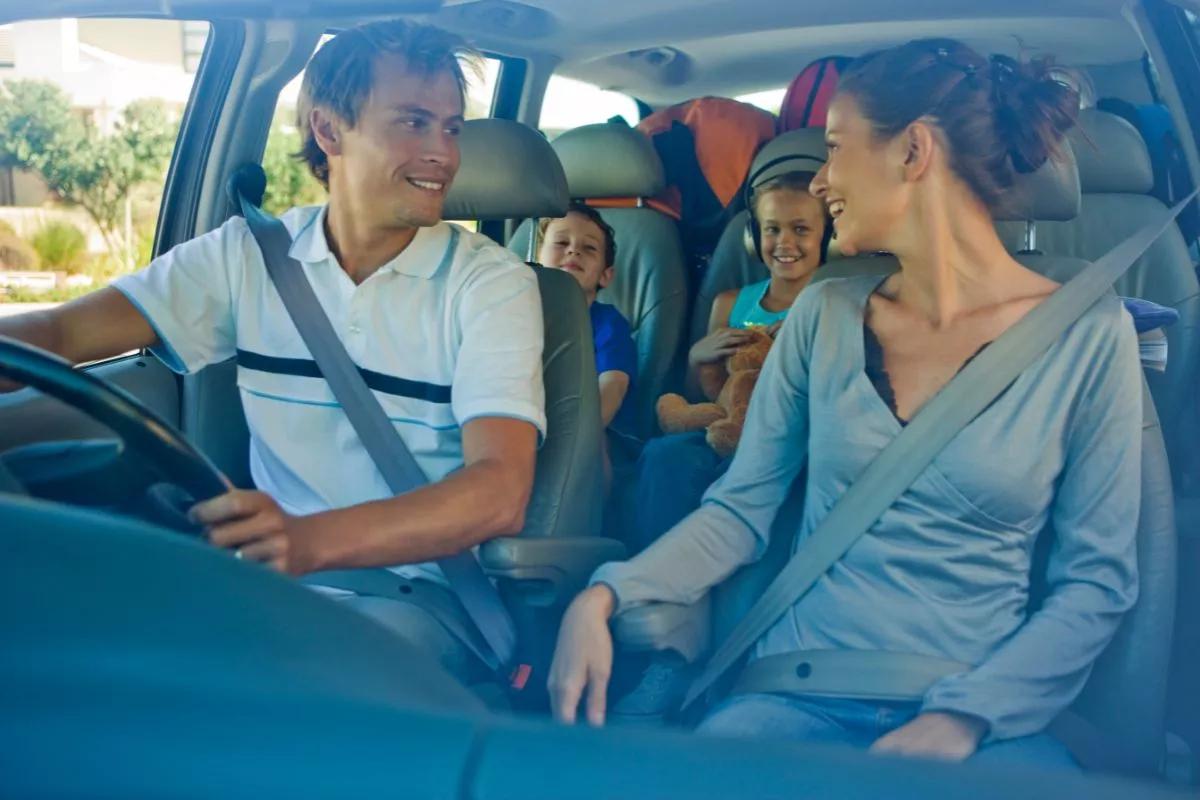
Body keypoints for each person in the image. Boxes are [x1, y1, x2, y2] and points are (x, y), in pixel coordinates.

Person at [548, 38, 1141, 771]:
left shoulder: (1088, 335)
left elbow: (1096, 582)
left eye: (834, 148)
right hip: (791, 696)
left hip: (982, 721)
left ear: (913, 151)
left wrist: (965, 718)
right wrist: (605, 596)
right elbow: (739, 511)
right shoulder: (825, 315)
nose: (822, 180)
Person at [0, 20, 546, 682]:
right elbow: (62, 333)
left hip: (417, 600)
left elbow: (498, 492)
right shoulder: (248, 256)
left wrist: (308, 541)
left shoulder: (489, 284)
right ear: (328, 130)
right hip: (268, 587)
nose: (443, 152)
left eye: (452, 127)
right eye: (412, 122)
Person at [632, 171, 829, 552]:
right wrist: (695, 358)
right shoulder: (729, 303)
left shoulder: (831, 303)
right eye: (772, 230)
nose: (784, 242)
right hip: (724, 427)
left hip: (793, 435)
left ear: (828, 236)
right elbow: (702, 394)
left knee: (743, 473)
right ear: (753, 239)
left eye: (801, 229)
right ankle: (652, 570)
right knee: (664, 455)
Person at [538, 204, 637, 438]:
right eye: (561, 243)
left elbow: (611, 389)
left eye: (589, 248)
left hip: (591, 439)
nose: (573, 251)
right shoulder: (515, 316)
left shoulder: (608, 325)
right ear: (535, 258)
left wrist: (570, 438)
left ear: (606, 275)